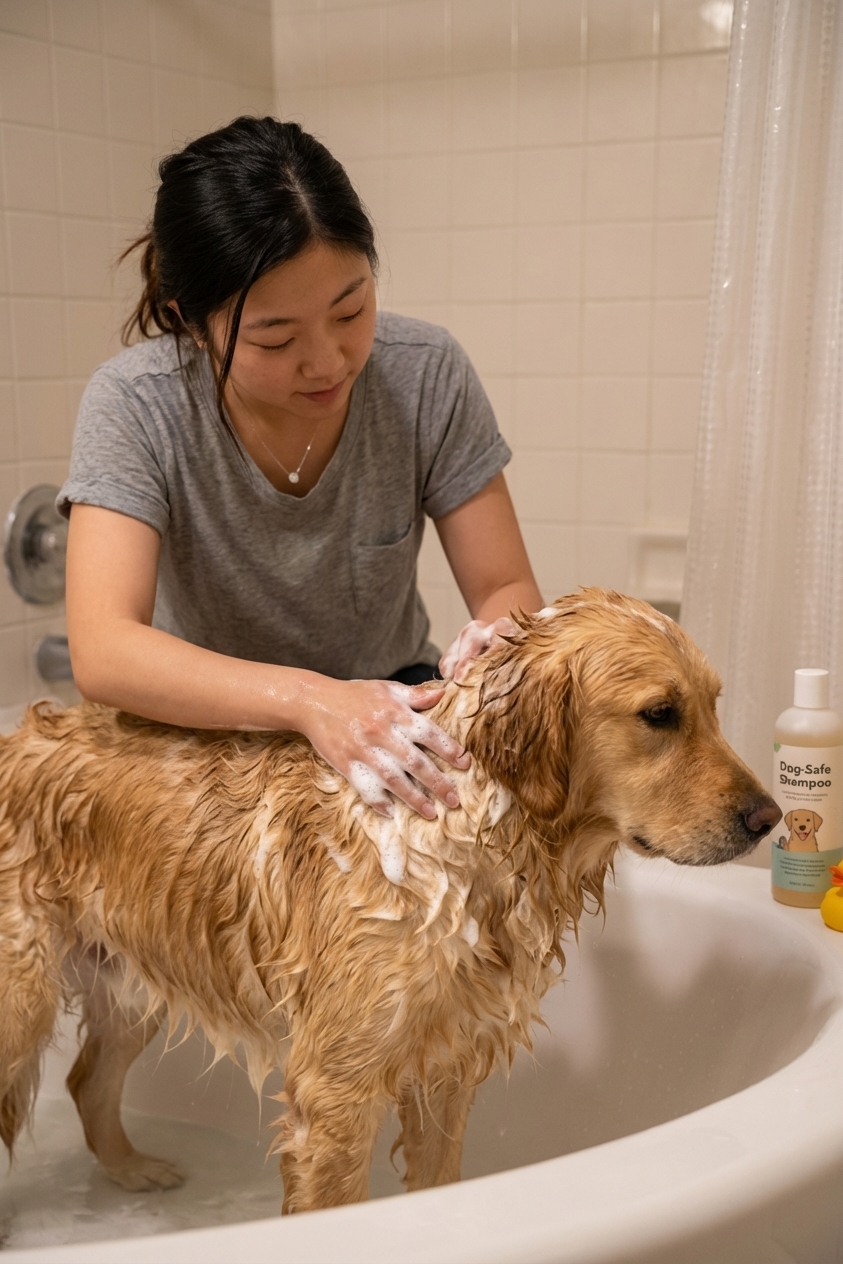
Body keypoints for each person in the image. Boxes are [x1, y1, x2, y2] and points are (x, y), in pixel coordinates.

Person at [60, 116, 542, 821]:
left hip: (390, 709)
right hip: (199, 732)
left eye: (350, 311)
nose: (327, 362)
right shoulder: (136, 402)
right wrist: (311, 701)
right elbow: (104, 650)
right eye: (275, 338)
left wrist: (501, 643)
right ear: (191, 323)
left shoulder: (426, 372)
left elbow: (503, 585)